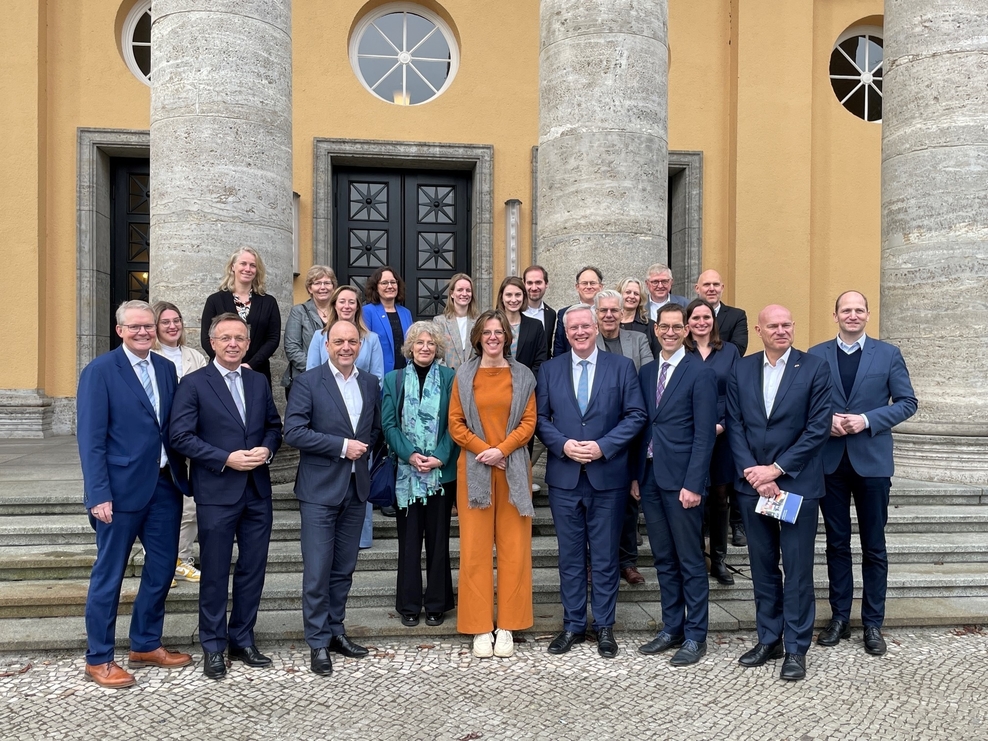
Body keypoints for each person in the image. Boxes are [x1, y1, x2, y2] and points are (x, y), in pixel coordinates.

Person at [76, 300, 192, 688]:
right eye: (136, 327)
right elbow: (90, 440)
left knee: (161, 570)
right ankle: (99, 658)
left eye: (149, 326)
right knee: (108, 576)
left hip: (164, 485)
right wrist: (98, 494)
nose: (144, 332)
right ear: (120, 329)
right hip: (119, 492)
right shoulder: (100, 371)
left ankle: (145, 642)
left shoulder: (165, 368)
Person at [169, 312, 283, 679]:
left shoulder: (257, 383)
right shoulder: (193, 383)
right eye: (226, 338)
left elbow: (273, 427)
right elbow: (181, 437)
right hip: (217, 490)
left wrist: (266, 450)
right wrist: (225, 458)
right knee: (215, 572)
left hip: (256, 491)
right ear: (212, 342)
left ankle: (242, 638)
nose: (233, 343)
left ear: (248, 344)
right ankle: (214, 646)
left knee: (253, 569)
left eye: (240, 338)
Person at [726, 304, 833, 681]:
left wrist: (777, 469)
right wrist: (758, 476)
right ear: (759, 330)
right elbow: (735, 426)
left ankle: (796, 648)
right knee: (762, 566)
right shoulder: (742, 367)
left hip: (797, 485)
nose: (781, 330)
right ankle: (769, 637)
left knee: (798, 569)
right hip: (752, 485)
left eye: (787, 324)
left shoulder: (815, 367)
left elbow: (818, 428)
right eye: (774, 325)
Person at [809, 290, 917, 656]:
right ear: (835, 315)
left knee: (874, 546)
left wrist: (867, 419)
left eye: (859, 310)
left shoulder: (888, 354)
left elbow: (907, 403)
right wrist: (827, 422)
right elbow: (804, 404)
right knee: (836, 543)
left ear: (868, 315)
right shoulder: (816, 354)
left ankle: (873, 623)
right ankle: (840, 617)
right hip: (830, 462)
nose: (852, 315)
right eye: (845, 310)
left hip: (871, 462)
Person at [536, 306, 646, 658]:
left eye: (586, 326)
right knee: (569, 557)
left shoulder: (621, 367)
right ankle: (572, 625)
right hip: (565, 478)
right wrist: (564, 444)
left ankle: (604, 627)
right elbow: (539, 418)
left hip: (608, 476)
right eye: (573, 328)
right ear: (565, 333)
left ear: (596, 328)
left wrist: (603, 446)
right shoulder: (550, 369)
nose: (580, 332)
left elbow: (636, 415)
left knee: (604, 556)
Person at [284, 320, 381, 676]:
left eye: (352, 341)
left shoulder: (369, 383)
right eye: (338, 341)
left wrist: (365, 452)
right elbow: (293, 431)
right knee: (318, 569)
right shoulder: (308, 382)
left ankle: (337, 630)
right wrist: (341, 447)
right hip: (319, 492)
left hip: (357, 491)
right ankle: (317, 642)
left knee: (344, 568)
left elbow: (374, 431)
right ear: (326, 345)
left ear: (360, 345)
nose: (345, 347)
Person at [449, 310, 537, 659]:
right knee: (475, 549)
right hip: (475, 471)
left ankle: (509, 626)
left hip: (513, 469)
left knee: (515, 550)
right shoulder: (464, 374)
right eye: (487, 332)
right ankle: (480, 626)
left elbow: (529, 422)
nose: (494, 337)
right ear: (478, 337)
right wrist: (484, 451)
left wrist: (502, 449)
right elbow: (455, 423)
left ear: (507, 337)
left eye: (499, 332)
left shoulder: (524, 375)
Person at [633, 303, 717, 666]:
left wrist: (694, 483)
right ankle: (672, 627)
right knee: (664, 558)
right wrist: (636, 476)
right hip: (650, 477)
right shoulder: (648, 371)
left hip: (683, 481)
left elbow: (704, 435)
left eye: (676, 327)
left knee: (690, 560)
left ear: (686, 331)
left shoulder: (700, 373)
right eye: (663, 326)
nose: (669, 332)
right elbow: (642, 426)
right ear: (655, 329)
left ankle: (696, 635)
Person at [382, 322, 458, 628]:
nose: (425, 347)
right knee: (409, 541)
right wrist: (410, 455)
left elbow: (457, 422)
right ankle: (410, 603)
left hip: (441, 475)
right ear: (410, 347)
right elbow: (388, 425)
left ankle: (437, 603)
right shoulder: (394, 379)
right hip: (406, 473)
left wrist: (439, 457)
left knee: (439, 541)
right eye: (419, 342)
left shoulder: (451, 378)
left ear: (437, 348)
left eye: (430, 343)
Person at [306, 284, 386, 541]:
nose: (347, 306)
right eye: (342, 301)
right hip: (328, 421)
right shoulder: (320, 336)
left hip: (361, 421)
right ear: (335, 305)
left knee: (360, 481)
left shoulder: (370, 339)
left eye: (352, 302)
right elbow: (311, 375)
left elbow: (378, 378)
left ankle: (361, 538)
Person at [593, 289, 652, 586]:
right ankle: (595, 561)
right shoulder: (589, 342)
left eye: (613, 310)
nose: (608, 315)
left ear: (621, 313)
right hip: (597, 433)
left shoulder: (638, 340)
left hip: (631, 431)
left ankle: (627, 561)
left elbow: (648, 378)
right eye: (603, 311)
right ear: (596, 314)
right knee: (594, 502)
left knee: (630, 499)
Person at [684, 298, 741, 585]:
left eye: (706, 317)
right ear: (688, 322)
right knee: (694, 496)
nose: (701, 322)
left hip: (722, 434)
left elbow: (738, 392)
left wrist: (722, 424)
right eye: (695, 318)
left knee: (719, 499)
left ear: (713, 321)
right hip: (689, 436)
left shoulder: (729, 351)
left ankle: (718, 559)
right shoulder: (681, 351)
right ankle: (696, 558)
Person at [151, 301, 208, 585]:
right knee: (160, 506)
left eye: (177, 320)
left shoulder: (195, 357)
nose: (173, 326)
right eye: (166, 322)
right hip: (160, 441)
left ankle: (180, 559)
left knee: (190, 505)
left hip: (192, 437)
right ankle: (162, 561)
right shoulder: (149, 356)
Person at [201, 247, 281, 387]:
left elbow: (273, 339)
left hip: (257, 371)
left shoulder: (269, 302)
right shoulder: (215, 300)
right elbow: (206, 338)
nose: (248, 269)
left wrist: (251, 364)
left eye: (253, 265)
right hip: (221, 372)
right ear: (233, 267)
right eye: (243, 263)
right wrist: (227, 362)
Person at [282, 265, 337, 400]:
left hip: (337, 381)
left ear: (333, 287)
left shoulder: (341, 312)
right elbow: (292, 348)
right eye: (317, 283)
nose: (322, 287)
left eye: (327, 283)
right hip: (304, 380)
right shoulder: (298, 311)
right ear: (309, 288)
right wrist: (318, 372)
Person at [362, 266, 414, 375]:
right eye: (384, 283)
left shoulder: (406, 313)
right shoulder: (367, 312)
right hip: (380, 374)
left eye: (393, 282)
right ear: (376, 287)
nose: (390, 286)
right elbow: (365, 348)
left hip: (406, 373)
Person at [497, 276, 547, 377]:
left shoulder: (536, 326)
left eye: (518, 295)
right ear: (502, 297)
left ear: (524, 296)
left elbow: (540, 361)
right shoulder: (491, 324)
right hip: (497, 384)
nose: (514, 299)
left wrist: (527, 383)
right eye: (509, 295)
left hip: (527, 384)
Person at [552, 266, 604, 357]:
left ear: (600, 287)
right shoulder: (564, 313)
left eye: (592, 283)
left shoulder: (608, 313)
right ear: (577, 287)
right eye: (584, 283)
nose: (588, 286)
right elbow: (559, 348)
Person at [695, 269, 749, 355]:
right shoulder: (687, 315)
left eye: (716, 284)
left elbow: (738, 349)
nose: (712, 289)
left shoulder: (737, 316)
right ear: (697, 288)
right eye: (707, 284)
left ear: (722, 288)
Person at [432, 273, 479, 370]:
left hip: (474, 377)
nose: (464, 294)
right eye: (460, 290)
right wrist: (448, 374)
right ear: (452, 294)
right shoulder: (439, 322)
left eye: (468, 290)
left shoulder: (479, 321)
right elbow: (436, 354)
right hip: (449, 378)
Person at [617, 276, 659, 358]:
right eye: (628, 292)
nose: (632, 296)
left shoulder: (651, 326)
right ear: (619, 295)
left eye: (636, 294)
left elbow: (657, 356)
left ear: (640, 299)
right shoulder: (610, 323)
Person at [523, 265, 556, 359]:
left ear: (546, 284)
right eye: (529, 283)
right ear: (524, 284)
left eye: (538, 282)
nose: (534, 288)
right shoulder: (515, 311)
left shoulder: (551, 314)